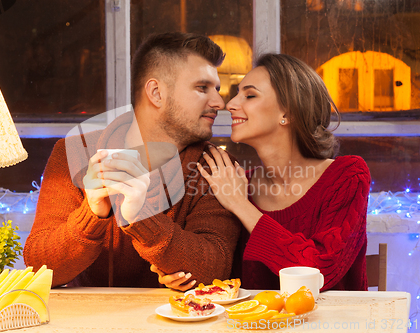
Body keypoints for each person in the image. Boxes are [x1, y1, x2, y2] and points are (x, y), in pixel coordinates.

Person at [24, 32, 241, 288]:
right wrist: (92, 214)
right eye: (202, 88)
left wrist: (141, 217)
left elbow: (214, 271)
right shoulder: (75, 151)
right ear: (157, 93)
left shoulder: (215, 166)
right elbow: (39, 269)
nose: (219, 102)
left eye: (216, 89)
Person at [152, 53, 370, 292]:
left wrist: (241, 205)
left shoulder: (347, 176)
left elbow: (318, 274)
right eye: (236, 94)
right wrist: (182, 272)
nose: (230, 104)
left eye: (250, 95)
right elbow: (220, 274)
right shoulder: (234, 182)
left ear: (288, 113)